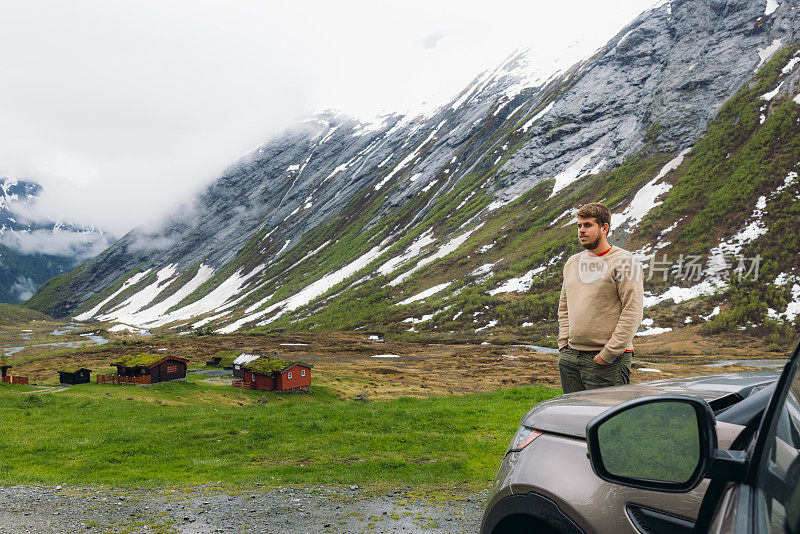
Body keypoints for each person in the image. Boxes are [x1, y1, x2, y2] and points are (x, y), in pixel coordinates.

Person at [557, 202, 643, 393]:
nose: (581, 230)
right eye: (579, 225)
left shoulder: (624, 261)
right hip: (570, 357)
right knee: (574, 419)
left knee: (608, 420)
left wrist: (608, 354)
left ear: (604, 228)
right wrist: (564, 344)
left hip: (605, 361)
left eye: (588, 225)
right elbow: (564, 307)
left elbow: (633, 311)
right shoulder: (573, 262)